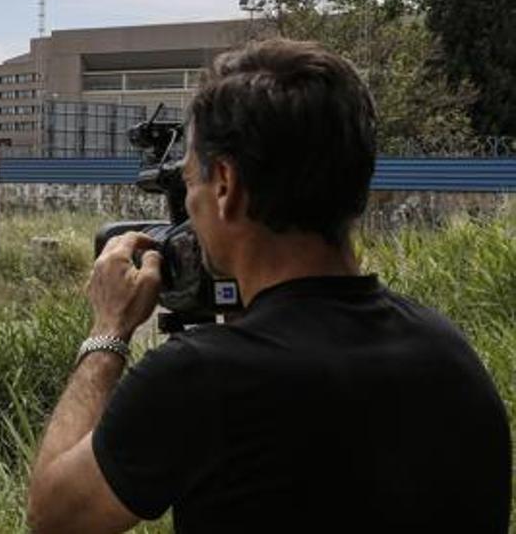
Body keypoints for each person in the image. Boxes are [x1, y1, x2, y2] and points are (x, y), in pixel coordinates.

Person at [26, 39, 511, 533]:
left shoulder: (202, 379)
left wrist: (109, 329)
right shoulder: (450, 355)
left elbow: (54, 518)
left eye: (190, 182)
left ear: (225, 186)